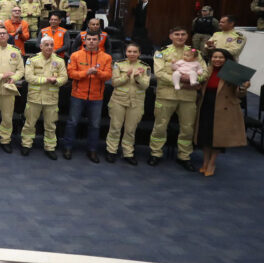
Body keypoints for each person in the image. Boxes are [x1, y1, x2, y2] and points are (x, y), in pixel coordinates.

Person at [149, 26, 208, 170]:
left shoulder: (195, 52)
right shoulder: (161, 52)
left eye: (183, 34)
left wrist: (195, 78)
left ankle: (184, 156)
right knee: (160, 126)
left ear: (187, 36)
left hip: (188, 97)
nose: (180, 37)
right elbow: (159, 73)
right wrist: (184, 80)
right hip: (167, 95)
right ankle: (155, 153)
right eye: (177, 34)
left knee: (187, 129)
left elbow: (205, 72)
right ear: (171, 36)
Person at [194, 49, 250, 177]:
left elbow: (239, 94)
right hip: (206, 105)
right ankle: (205, 162)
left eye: (220, 57)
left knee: (218, 137)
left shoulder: (233, 72)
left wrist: (243, 87)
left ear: (226, 59)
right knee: (205, 135)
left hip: (224, 108)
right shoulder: (206, 70)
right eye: (215, 57)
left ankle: (212, 163)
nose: (217, 60)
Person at [62, 31, 112, 162]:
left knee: (95, 125)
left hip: (96, 97)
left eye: (94, 39)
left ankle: (92, 150)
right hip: (78, 95)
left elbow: (108, 76)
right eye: (88, 39)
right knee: (72, 123)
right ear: (84, 41)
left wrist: (98, 73)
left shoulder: (106, 57)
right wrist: (86, 73)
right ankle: (67, 148)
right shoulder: (75, 55)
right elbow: (71, 74)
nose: (91, 41)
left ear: (99, 41)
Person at [20, 36, 67, 158]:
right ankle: (26, 144)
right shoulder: (32, 60)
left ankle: (50, 147)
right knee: (29, 123)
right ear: (41, 46)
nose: (49, 47)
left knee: (51, 125)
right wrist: (47, 79)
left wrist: (56, 81)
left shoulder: (60, 61)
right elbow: (29, 77)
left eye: (51, 45)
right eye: (46, 45)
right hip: (34, 98)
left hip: (51, 99)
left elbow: (64, 78)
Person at [105, 42, 150, 165]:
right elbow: (114, 82)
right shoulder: (118, 64)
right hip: (118, 100)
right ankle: (111, 151)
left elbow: (146, 85)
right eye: (129, 51)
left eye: (135, 52)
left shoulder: (145, 67)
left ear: (139, 53)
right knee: (115, 127)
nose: (132, 54)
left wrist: (138, 77)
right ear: (126, 52)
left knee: (130, 130)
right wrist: (127, 76)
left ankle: (128, 153)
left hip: (136, 103)